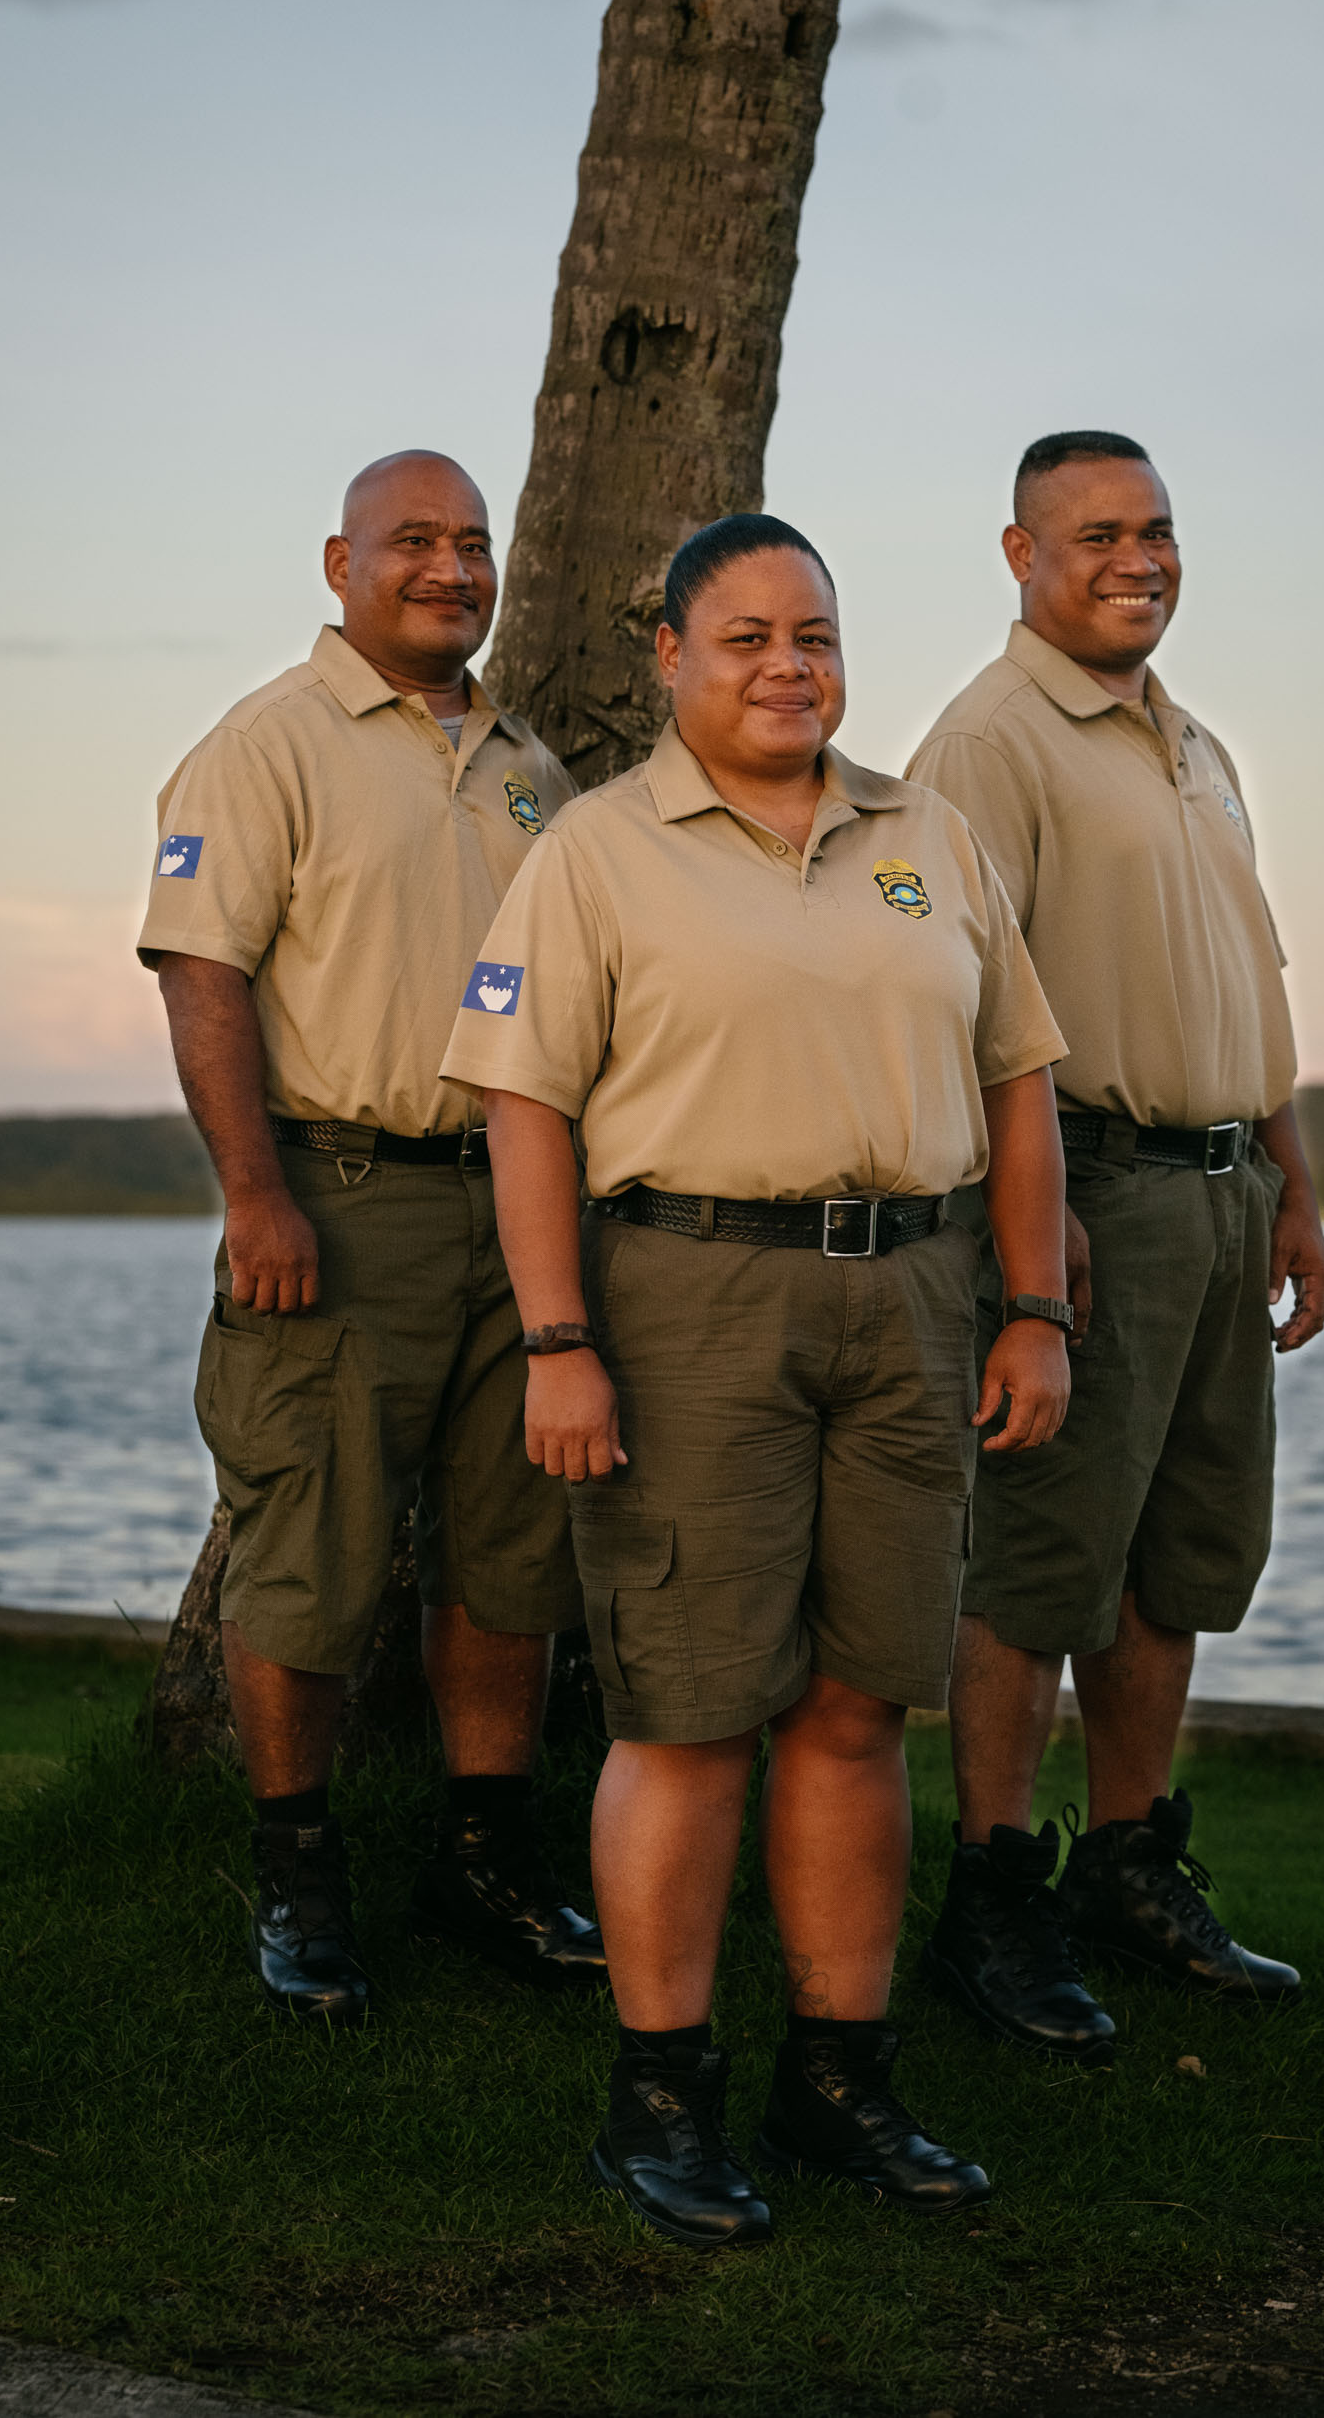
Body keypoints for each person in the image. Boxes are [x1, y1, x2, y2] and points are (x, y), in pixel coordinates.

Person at [440, 513, 1072, 2250]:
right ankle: (659, 2101)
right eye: (747, 639)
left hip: (919, 1297)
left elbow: (1018, 1081)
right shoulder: (596, 853)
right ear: (671, 660)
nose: (791, 665)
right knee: (689, 1710)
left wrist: (1036, 1308)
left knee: (863, 1704)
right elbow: (523, 1110)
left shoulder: (924, 833)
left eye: (817, 633)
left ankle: (839, 2077)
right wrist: (559, 1340)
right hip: (686, 1301)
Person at [138, 450, 605, 2024]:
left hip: (523, 1213)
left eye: (472, 544)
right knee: (314, 1552)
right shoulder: (266, 747)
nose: (450, 567)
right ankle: (300, 1874)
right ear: (339, 565)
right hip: (340, 1203)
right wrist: (254, 1191)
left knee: (508, 1552)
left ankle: (482, 1862)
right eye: (413, 540)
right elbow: (201, 970)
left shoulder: (531, 763)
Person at [906, 431, 1324, 2063]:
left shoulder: (1192, 741)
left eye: (1155, 531)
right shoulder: (992, 741)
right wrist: (1037, 1228)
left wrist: (1292, 1182)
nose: (1135, 560)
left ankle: (1134, 1871)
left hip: (1224, 1187)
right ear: (1020, 556)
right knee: (1040, 1563)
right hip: (1089, 1187)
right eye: (1095, 536)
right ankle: (995, 1893)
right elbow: (954, 1008)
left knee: (1178, 1555)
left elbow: (1259, 988)